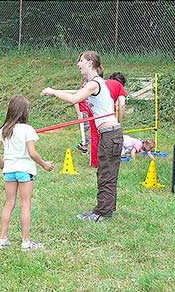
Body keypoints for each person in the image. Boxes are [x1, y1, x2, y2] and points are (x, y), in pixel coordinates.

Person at [41, 51, 123, 222]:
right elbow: (77, 91)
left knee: (105, 174)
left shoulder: (94, 84)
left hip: (110, 135)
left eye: (81, 61)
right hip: (110, 134)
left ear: (90, 63)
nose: (78, 64)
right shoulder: (96, 83)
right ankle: (105, 209)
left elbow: (74, 99)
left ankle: (101, 213)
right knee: (107, 173)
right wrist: (55, 91)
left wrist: (54, 91)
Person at [0, 95, 54, 251]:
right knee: (25, 204)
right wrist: (44, 164)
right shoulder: (28, 130)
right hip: (25, 171)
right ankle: (26, 242)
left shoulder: (4, 129)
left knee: (9, 203)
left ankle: (2, 238)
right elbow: (32, 153)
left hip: (9, 171)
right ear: (24, 112)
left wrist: (2, 165)